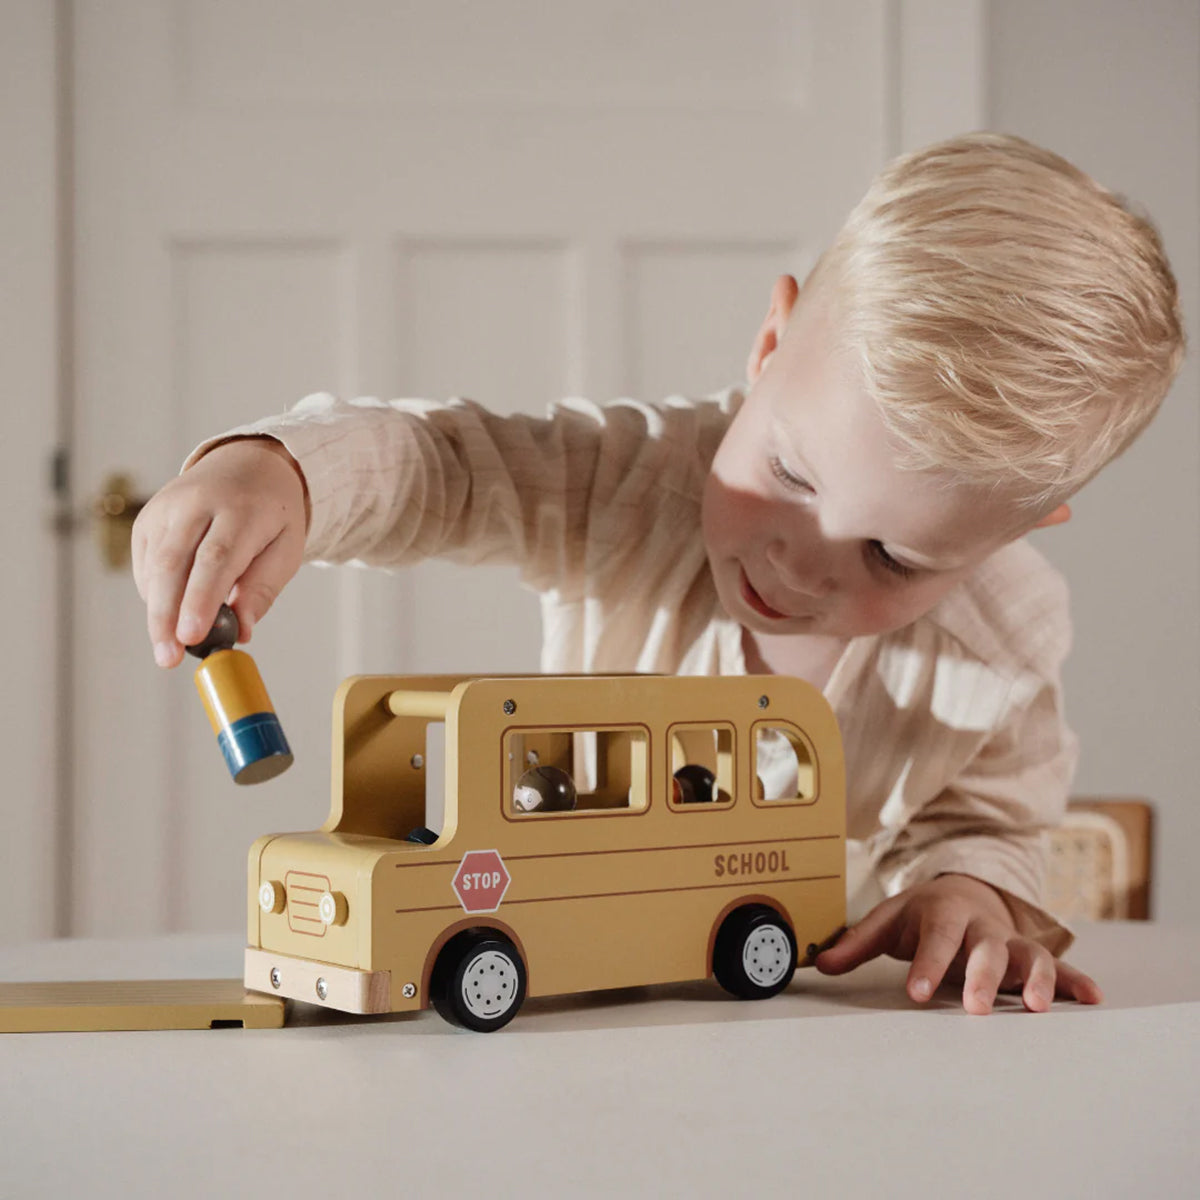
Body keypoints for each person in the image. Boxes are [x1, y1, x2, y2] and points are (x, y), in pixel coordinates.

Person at [132, 132, 1185, 1015]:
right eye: (788, 470)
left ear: (1008, 537)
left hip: (792, 1034)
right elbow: (446, 464)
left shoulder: (1005, 639)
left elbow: (987, 822)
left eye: (893, 555)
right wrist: (280, 473)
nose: (796, 561)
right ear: (769, 346)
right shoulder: (631, 484)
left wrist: (965, 887)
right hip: (580, 985)